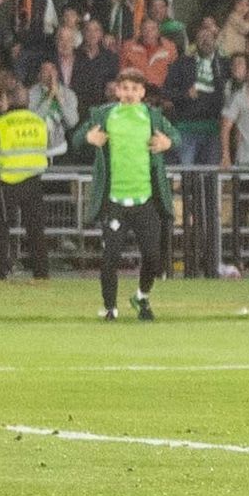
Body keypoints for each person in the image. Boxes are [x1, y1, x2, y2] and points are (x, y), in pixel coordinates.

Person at [92, 76, 170, 319]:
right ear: (117, 90)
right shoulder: (105, 115)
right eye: (124, 88)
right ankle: (110, 309)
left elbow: (174, 136)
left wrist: (167, 142)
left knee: (153, 256)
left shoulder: (151, 116)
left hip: (144, 201)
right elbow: (78, 138)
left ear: (142, 92)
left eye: (134, 89)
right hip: (115, 201)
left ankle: (141, 297)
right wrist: (88, 139)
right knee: (110, 258)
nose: (128, 93)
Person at [0, 76, 59, 284]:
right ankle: (41, 273)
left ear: (8, 101)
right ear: (27, 102)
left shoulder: (1, 123)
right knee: (36, 230)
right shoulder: (39, 122)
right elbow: (47, 147)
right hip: (34, 182)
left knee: (1, 230)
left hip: (6, 184)